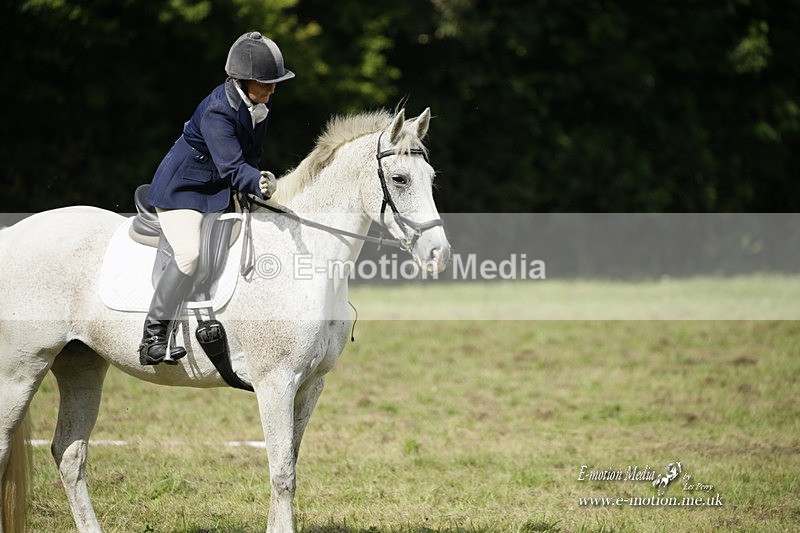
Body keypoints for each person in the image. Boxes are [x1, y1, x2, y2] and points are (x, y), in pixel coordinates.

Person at [139, 31, 294, 365]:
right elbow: (232, 165)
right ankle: (153, 335)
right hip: (183, 190)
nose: (272, 88)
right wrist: (258, 183)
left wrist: (257, 186)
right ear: (244, 79)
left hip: (219, 187)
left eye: (274, 82)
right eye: (266, 82)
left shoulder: (256, 105)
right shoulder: (217, 111)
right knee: (188, 255)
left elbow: (250, 157)